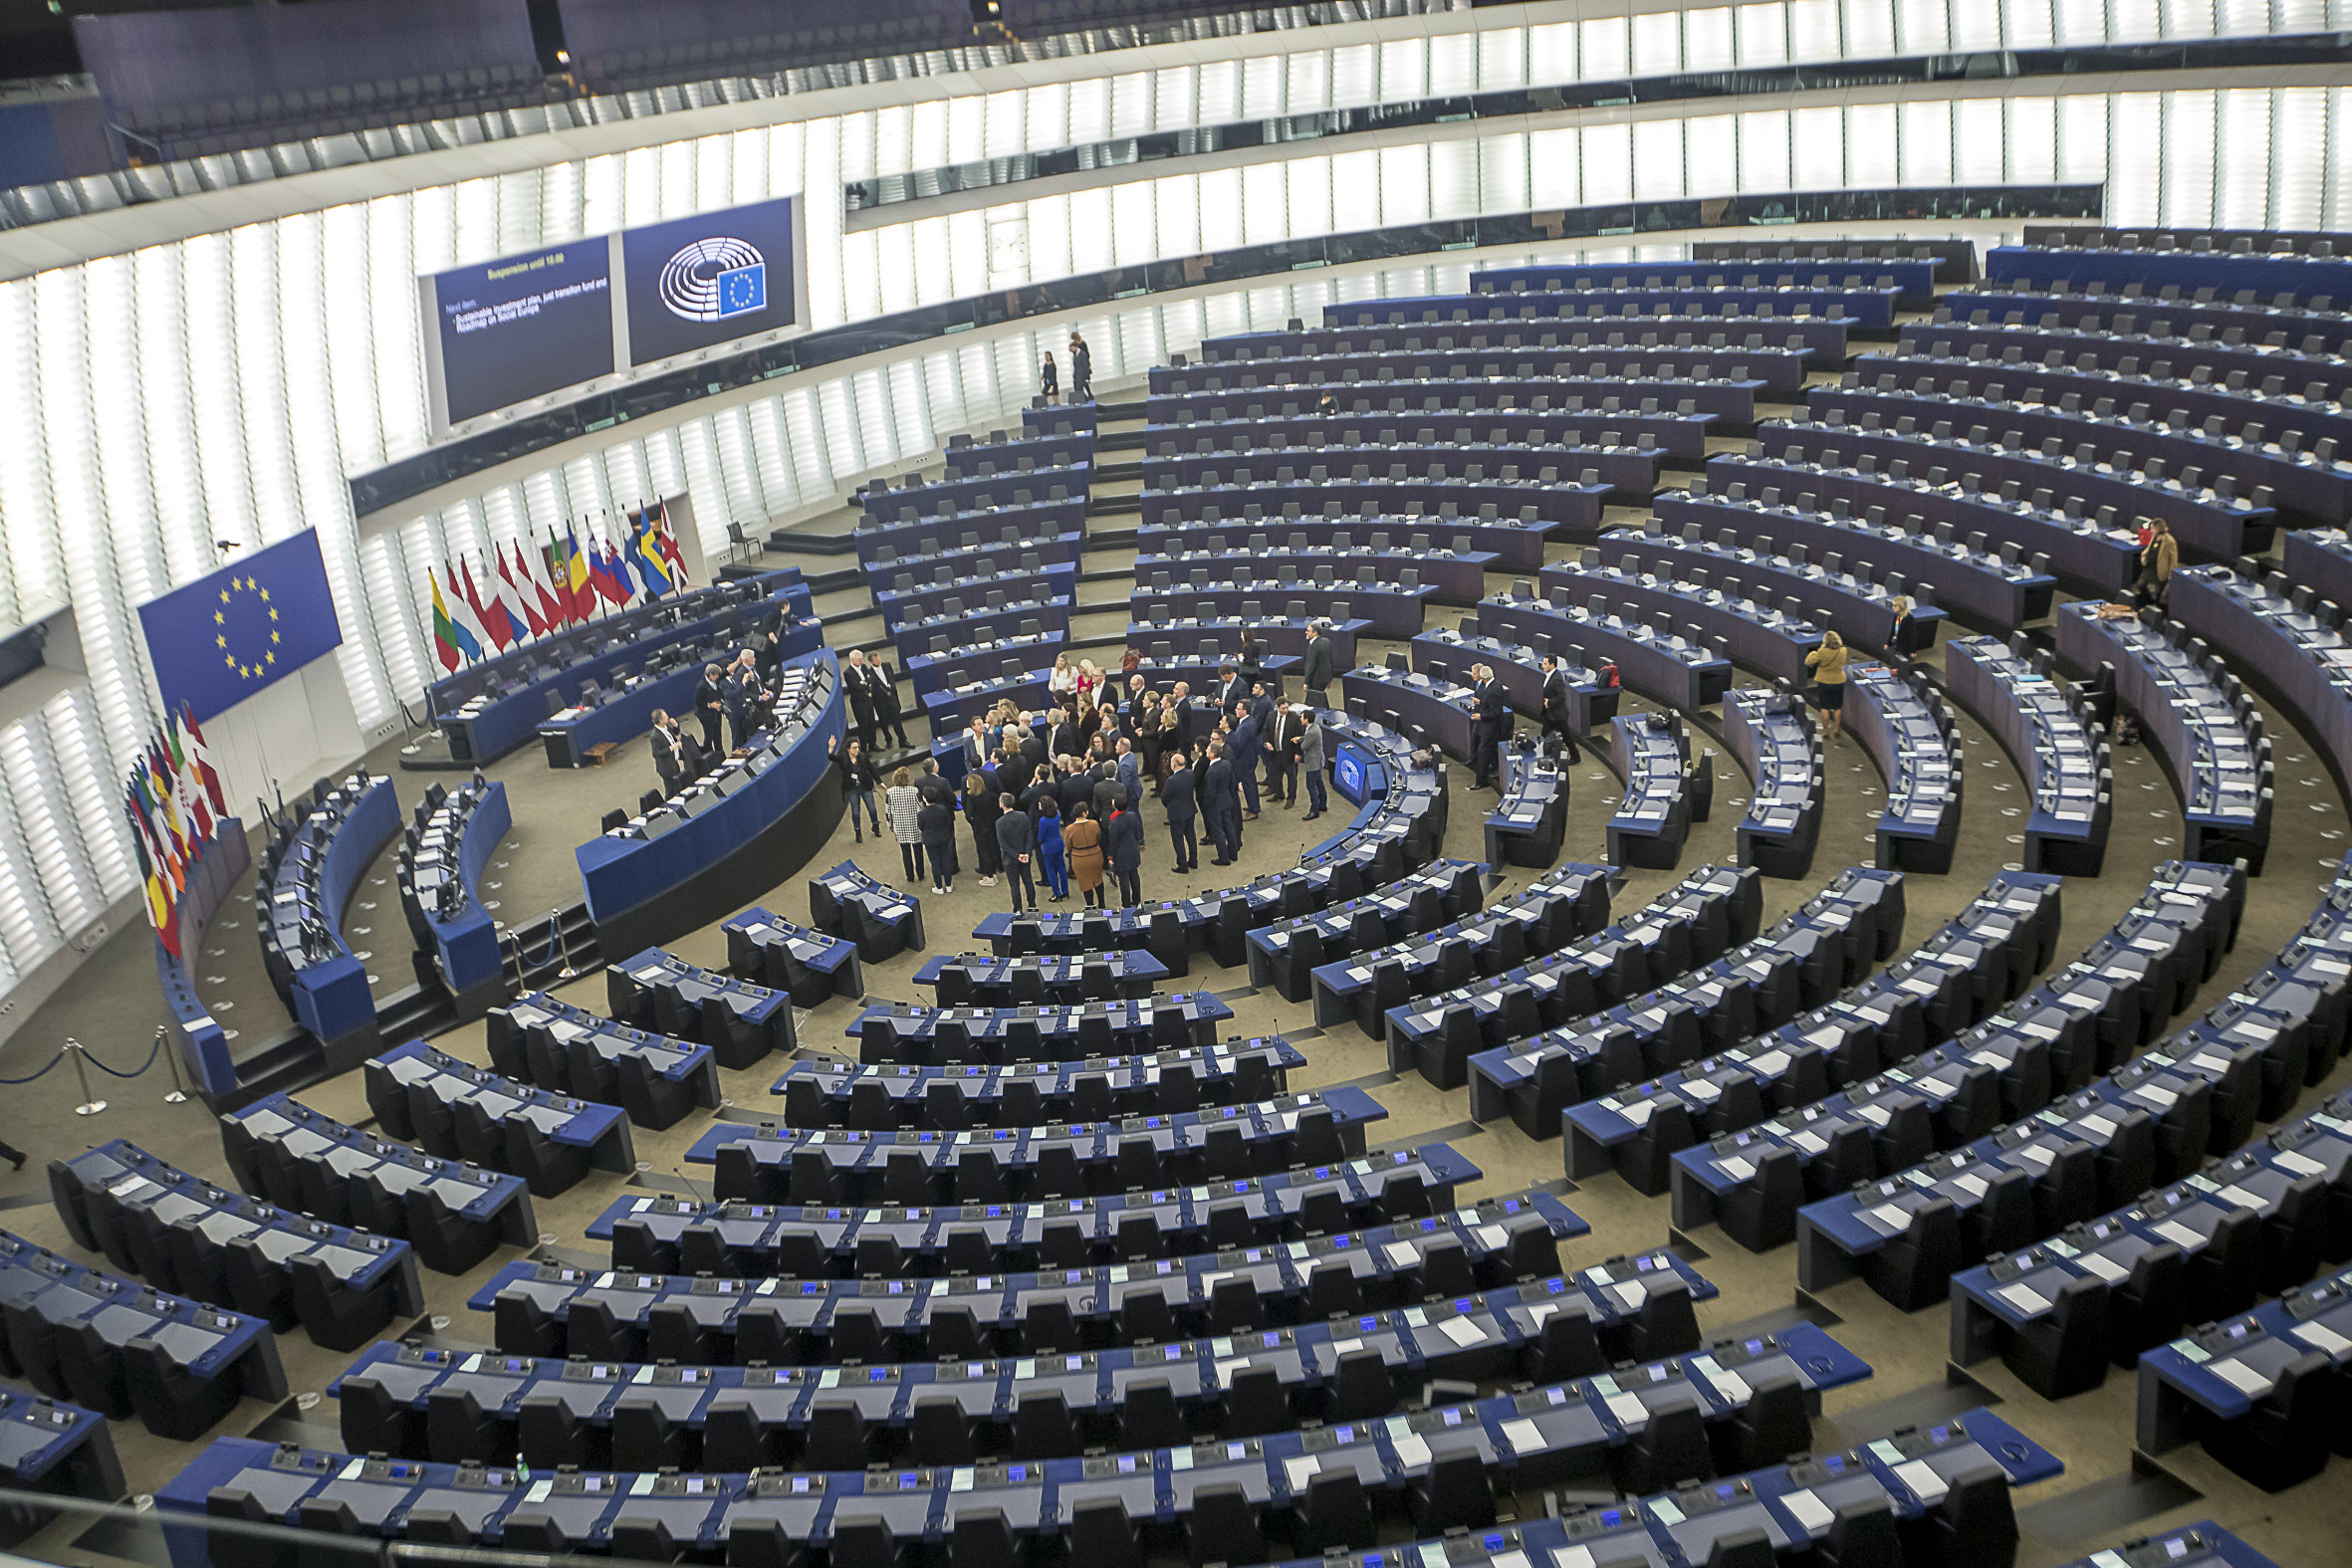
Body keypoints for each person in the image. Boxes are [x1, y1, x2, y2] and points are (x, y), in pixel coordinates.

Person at [829, 734, 881, 842]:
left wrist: (879, 781)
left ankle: (875, 826)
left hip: (865, 786)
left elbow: (871, 769)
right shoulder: (844, 758)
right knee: (856, 811)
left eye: (857, 747)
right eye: (854, 748)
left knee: (872, 808)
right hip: (852, 788)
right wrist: (831, 747)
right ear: (848, 749)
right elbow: (832, 757)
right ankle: (858, 832)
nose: (856, 749)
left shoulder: (863, 757)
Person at [1468, 663, 1510, 788]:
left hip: (1490, 727)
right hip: (1486, 726)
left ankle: (1481, 781)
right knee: (1483, 752)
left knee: (1483, 753)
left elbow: (1495, 712)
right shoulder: (1493, 684)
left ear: (1484, 677)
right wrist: (1480, 702)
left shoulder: (1493, 690)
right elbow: (1490, 704)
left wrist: (1481, 716)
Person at [1805, 630, 1850, 745]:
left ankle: (1826, 732)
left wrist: (1815, 652)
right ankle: (1836, 729)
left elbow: (1808, 661)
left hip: (1824, 682)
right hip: (1838, 681)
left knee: (1824, 707)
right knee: (1837, 707)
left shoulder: (1822, 652)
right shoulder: (1843, 651)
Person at [995, 793, 1037, 913]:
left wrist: (1017, 856)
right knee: (1028, 881)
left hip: (1010, 859)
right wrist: (1027, 853)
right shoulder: (1023, 816)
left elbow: (1003, 844)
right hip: (1025, 857)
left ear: (1002, 804)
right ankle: (1032, 905)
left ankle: (1018, 909)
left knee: (1014, 885)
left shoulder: (999, 823)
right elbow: (1029, 835)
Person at [1538, 656, 1582, 763]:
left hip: (1558, 714)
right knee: (1545, 733)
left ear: (1552, 665)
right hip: (1550, 713)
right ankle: (1548, 754)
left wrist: (1549, 702)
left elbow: (1562, 696)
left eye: (1545, 664)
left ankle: (1575, 757)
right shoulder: (1549, 675)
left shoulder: (1557, 679)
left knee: (1566, 736)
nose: (1543, 665)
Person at [884, 768, 925, 883]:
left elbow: (888, 811)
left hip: (900, 827)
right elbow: (921, 807)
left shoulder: (890, 792)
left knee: (905, 852)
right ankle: (920, 873)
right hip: (914, 826)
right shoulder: (914, 790)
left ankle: (910, 876)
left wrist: (890, 824)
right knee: (918, 850)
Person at [1205, 747, 1242, 865]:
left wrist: (1208, 805)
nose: (1205, 750)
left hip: (1215, 804)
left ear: (1212, 754)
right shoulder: (1226, 764)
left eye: (1207, 749)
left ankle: (1223, 858)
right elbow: (1232, 782)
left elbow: (1210, 793)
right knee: (1229, 827)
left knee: (1218, 831)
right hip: (1227, 800)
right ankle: (1233, 854)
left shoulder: (1211, 772)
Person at [918, 788, 959, 895]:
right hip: (944, 838)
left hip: (930, 841)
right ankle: (949, 885)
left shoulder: (922, 814)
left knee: (935, 863)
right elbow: (947, 821)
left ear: (924, 798)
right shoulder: (943, 809)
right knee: (946, 860)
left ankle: (939, 887)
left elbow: (920, 827)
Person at [1163, 751, 1199, 872]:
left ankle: (1182, 865)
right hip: (1190, 810)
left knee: (1178, 840)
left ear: (1173, 765)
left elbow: (1165, 798)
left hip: (1177, 814)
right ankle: (1193, 861)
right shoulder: (1190, 774)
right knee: (1191, 836)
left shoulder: (1171, 780)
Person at [964, 773, 1002, 887]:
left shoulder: (972, 798)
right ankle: (994, 873)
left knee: (984, 851)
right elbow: (997, 805)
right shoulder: (988, 794)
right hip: (991, 825)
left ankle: (989, 876)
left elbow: (968, 816)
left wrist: (975, 824)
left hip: (980, 829)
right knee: (993, 848)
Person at [1065, 803, 1105, 908]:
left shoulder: (1069, 829)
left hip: (1079, 859)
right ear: (1084, 813)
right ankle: (1102, 904)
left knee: (1085, 883)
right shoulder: (1094, 823)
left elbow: (1068, 846)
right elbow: (1099, 837)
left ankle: (1090, 906)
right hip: (1096, 854)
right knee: (1098, 880)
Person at [1105, 800, 1143, 907]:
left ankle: (1126, 904)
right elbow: (1137, 832)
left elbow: (1113, 842)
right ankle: (1137, 900)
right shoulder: (1133, 816)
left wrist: (1110, 857)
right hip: (1133, 851)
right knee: (1134, 876)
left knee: (1124, 881)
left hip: (1121, 855)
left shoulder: (1114, 823)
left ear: (1115, 806)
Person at [1228, 704, 1262, 818]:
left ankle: (1253, 810)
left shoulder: (1244, 726)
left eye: (1238, 709)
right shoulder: (1249, 721)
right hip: (1250, 757)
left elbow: (1239, 745)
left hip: (1245, 759)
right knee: (1250, 783)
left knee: (1249, 784)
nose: (1235, 710)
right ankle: (1254, 805)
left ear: (1245, 711)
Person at [1264, 699, 1298, 806]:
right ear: (1277, 707)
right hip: (1275, 752)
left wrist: (1298, 753)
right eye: (1283, 708)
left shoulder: (1294, 718)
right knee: (1275, 775)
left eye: (1287, 707)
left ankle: (1291, 798)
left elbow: (1299, 736)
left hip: (1289, 753)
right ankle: (1279, 794)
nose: (1286, 710)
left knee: (1291, 777)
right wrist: (1266, 742)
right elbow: (1265, 730)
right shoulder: (1270, 716)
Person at [1036, 795, 1070, 901]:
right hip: (1059, 844)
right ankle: (1065, 891)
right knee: (1062, 868)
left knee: (1051, 871)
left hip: (1048, 847)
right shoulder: (1057, 814)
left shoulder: (1043, 820)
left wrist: (1039, 842)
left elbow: (1041, 836)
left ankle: (1056, 893)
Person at [869, 661, 911, 749]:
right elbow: (872, 688)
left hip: (892, 699)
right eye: (876, 660)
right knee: (884, 723)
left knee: (897, 721)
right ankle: (888, 740)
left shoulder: (887, 665)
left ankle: (903, 740)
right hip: (880, 703)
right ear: (871, 662)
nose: (879, 661)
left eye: (879, 659)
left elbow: (892, 679)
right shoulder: (869, 673)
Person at [2138, 518, 2178, 608]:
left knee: (2158, 593)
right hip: (2150, 567)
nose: (2150, 530)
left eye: (2152, 528)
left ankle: (2157, 610)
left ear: (2158, 528)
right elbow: (2150, 548)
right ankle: (2149, 601)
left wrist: (2171, 575)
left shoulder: (2170, 541)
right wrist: (2144, 555)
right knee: (2140, 585)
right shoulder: (2154, 536)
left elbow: (2173, 560)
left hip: (2160, 570)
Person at [843, 650, 878, 750]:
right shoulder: (848, 673)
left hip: (868, 700)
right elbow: (857, 687)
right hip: (859, 703)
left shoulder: (863, 667)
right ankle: (863, 748)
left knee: (872, 723)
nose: (861, 661)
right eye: (859, 659)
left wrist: (865, 683)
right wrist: (866, 684)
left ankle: (873, 744)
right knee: (863, 726)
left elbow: (870, 679)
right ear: (852, 659)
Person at [1297, 708, 1328, 820]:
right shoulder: (1315, 727)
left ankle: (1314, 810)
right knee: (1319, 782)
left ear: (1306, 720)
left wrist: (1300, 741)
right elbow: (1307, 739)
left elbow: (1304, 746)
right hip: (1318, 760)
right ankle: (1323, 804)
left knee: (1311, 786)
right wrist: (1301, 738)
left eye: (1301, 717)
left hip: (1313, 762)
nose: (1300, 719)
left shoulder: (1311, 732)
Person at [651, 709, 689, 795]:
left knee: (678, 783)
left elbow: (675, 732)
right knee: (671, 789)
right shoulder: (655, 736)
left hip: (673, 762)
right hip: (666, 767)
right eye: (665, 717)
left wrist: (675, 725)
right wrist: (671, 748)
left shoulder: (665, 727)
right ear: (660, 720)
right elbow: (656, 753)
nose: (668, 717)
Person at [693, 662, 727, 752]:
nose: (718, 677)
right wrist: (710, 704)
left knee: (718, 735)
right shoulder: (701, 686)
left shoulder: (715, 682)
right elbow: (698, 702)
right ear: (711, 674)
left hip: (716, 713)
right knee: (709, 735)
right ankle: (709, 755)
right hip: (706, 715)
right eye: (716, 675)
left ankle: (720, 754)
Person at [1300, 620, 1336, 707]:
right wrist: (1330, 678)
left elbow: (1310, 666)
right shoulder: (1326, 641)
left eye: (1308, 631)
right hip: (1325, 679)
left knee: (1312, 703)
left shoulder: (1313, 646)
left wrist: (1306, 682)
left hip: (1316, 681)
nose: (1306, 632)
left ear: (1315, 632)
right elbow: (1331, 661)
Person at [1886, 595, 1923, 660]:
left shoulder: (1909, 618)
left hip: (1905, 648)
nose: (1892, 607)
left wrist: (1912, 651)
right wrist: (1888, 643)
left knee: (1903, 665)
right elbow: (1893, 630)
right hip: (1896, 645)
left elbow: (1912, 636)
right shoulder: (1897, 616)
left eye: (1895, 606)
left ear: (1900, 606)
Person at [1068, 331, 1092, 401]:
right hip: (1079, 365)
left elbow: (1086, 354)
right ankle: (1088, 395)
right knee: (1081, 382)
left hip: (1083, 363)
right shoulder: (1075, 347)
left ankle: (1088, 395)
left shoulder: (1082, 344)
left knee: (1083, 381)